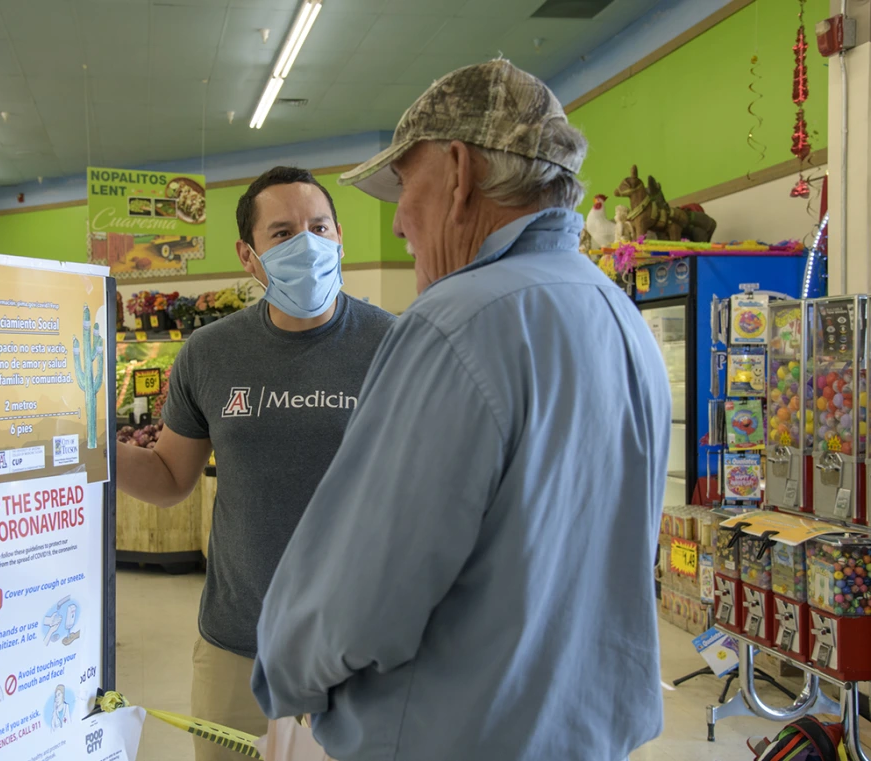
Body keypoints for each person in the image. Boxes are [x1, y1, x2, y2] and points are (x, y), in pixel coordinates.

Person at [252, 60, 671, 761]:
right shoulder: (617, 314)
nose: (399, 225)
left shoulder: (456, 322)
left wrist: (283, 671)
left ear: (457, 172)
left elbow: (359, 594)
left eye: (403, 188)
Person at [116, 166, 395, 761]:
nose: (308, 244)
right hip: (239, 643)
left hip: (362, 644)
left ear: (340, 236)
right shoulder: (209, 354)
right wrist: (88, 451)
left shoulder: (393, 346)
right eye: (284, 233)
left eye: (319, 227)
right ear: (248, 255)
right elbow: (170, 478)